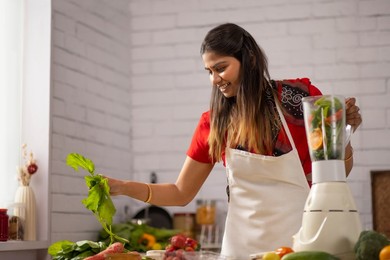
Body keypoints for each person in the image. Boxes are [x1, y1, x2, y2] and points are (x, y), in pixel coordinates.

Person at [106, 23, 362, 259]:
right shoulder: (213, 123)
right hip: (240, 250)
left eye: (221, 68)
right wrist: (124, 187)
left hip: (299, 246)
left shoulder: (298, 102)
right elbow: (181, 192)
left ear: (248, 59)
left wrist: (343, 135)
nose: (215, 79)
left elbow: (337, 173)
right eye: (209, 71)